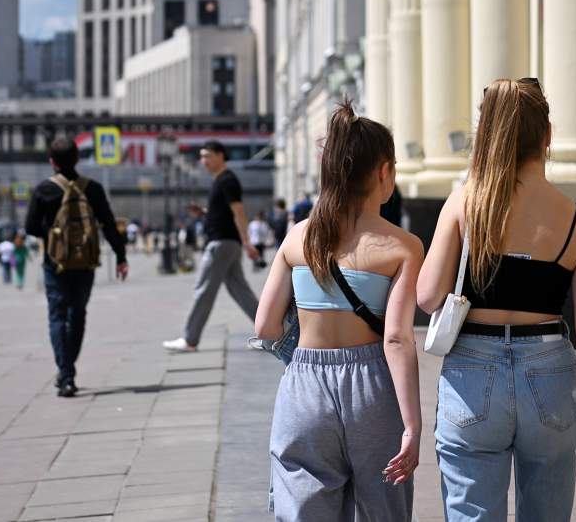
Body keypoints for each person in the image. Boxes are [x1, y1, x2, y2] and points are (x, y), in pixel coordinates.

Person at [415, 78, 576, 521]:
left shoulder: (464, 204)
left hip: (472, 372)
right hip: (550, 373)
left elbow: (428, 296)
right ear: (547, 136)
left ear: (488, 133)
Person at [256, 102, 423, 521]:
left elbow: (265, 325)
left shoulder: (298, 238)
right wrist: (412, 426)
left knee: (303, 507)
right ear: (384, 171)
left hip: (304, 385)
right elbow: (398, 339)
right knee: (383, 509)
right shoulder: (402, 246)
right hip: (372, 387)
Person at [25, 136, 129, 398]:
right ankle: (68, 369)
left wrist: (53, 234)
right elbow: (108, 224)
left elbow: (30, 228)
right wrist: (120, 257)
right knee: (78, 314)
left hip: (55, 264)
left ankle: (66, 374)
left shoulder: (43, 190)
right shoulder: (92, 188)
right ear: (77, 160)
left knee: (57, 316)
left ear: (52, 162)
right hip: (85, 263)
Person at [162, 141, 261, 353]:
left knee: (203, 290)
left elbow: (239, 212)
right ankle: (271, 333)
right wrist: (206, 213)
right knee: (241, 292)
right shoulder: (221, 181)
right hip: (227, 243)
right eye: (201, 156)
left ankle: (190, 340)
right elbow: (225, 213)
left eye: (207, 156)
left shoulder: (227, 180)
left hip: (221, 244)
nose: (203, 161)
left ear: (220, 156)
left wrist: (247, 242)